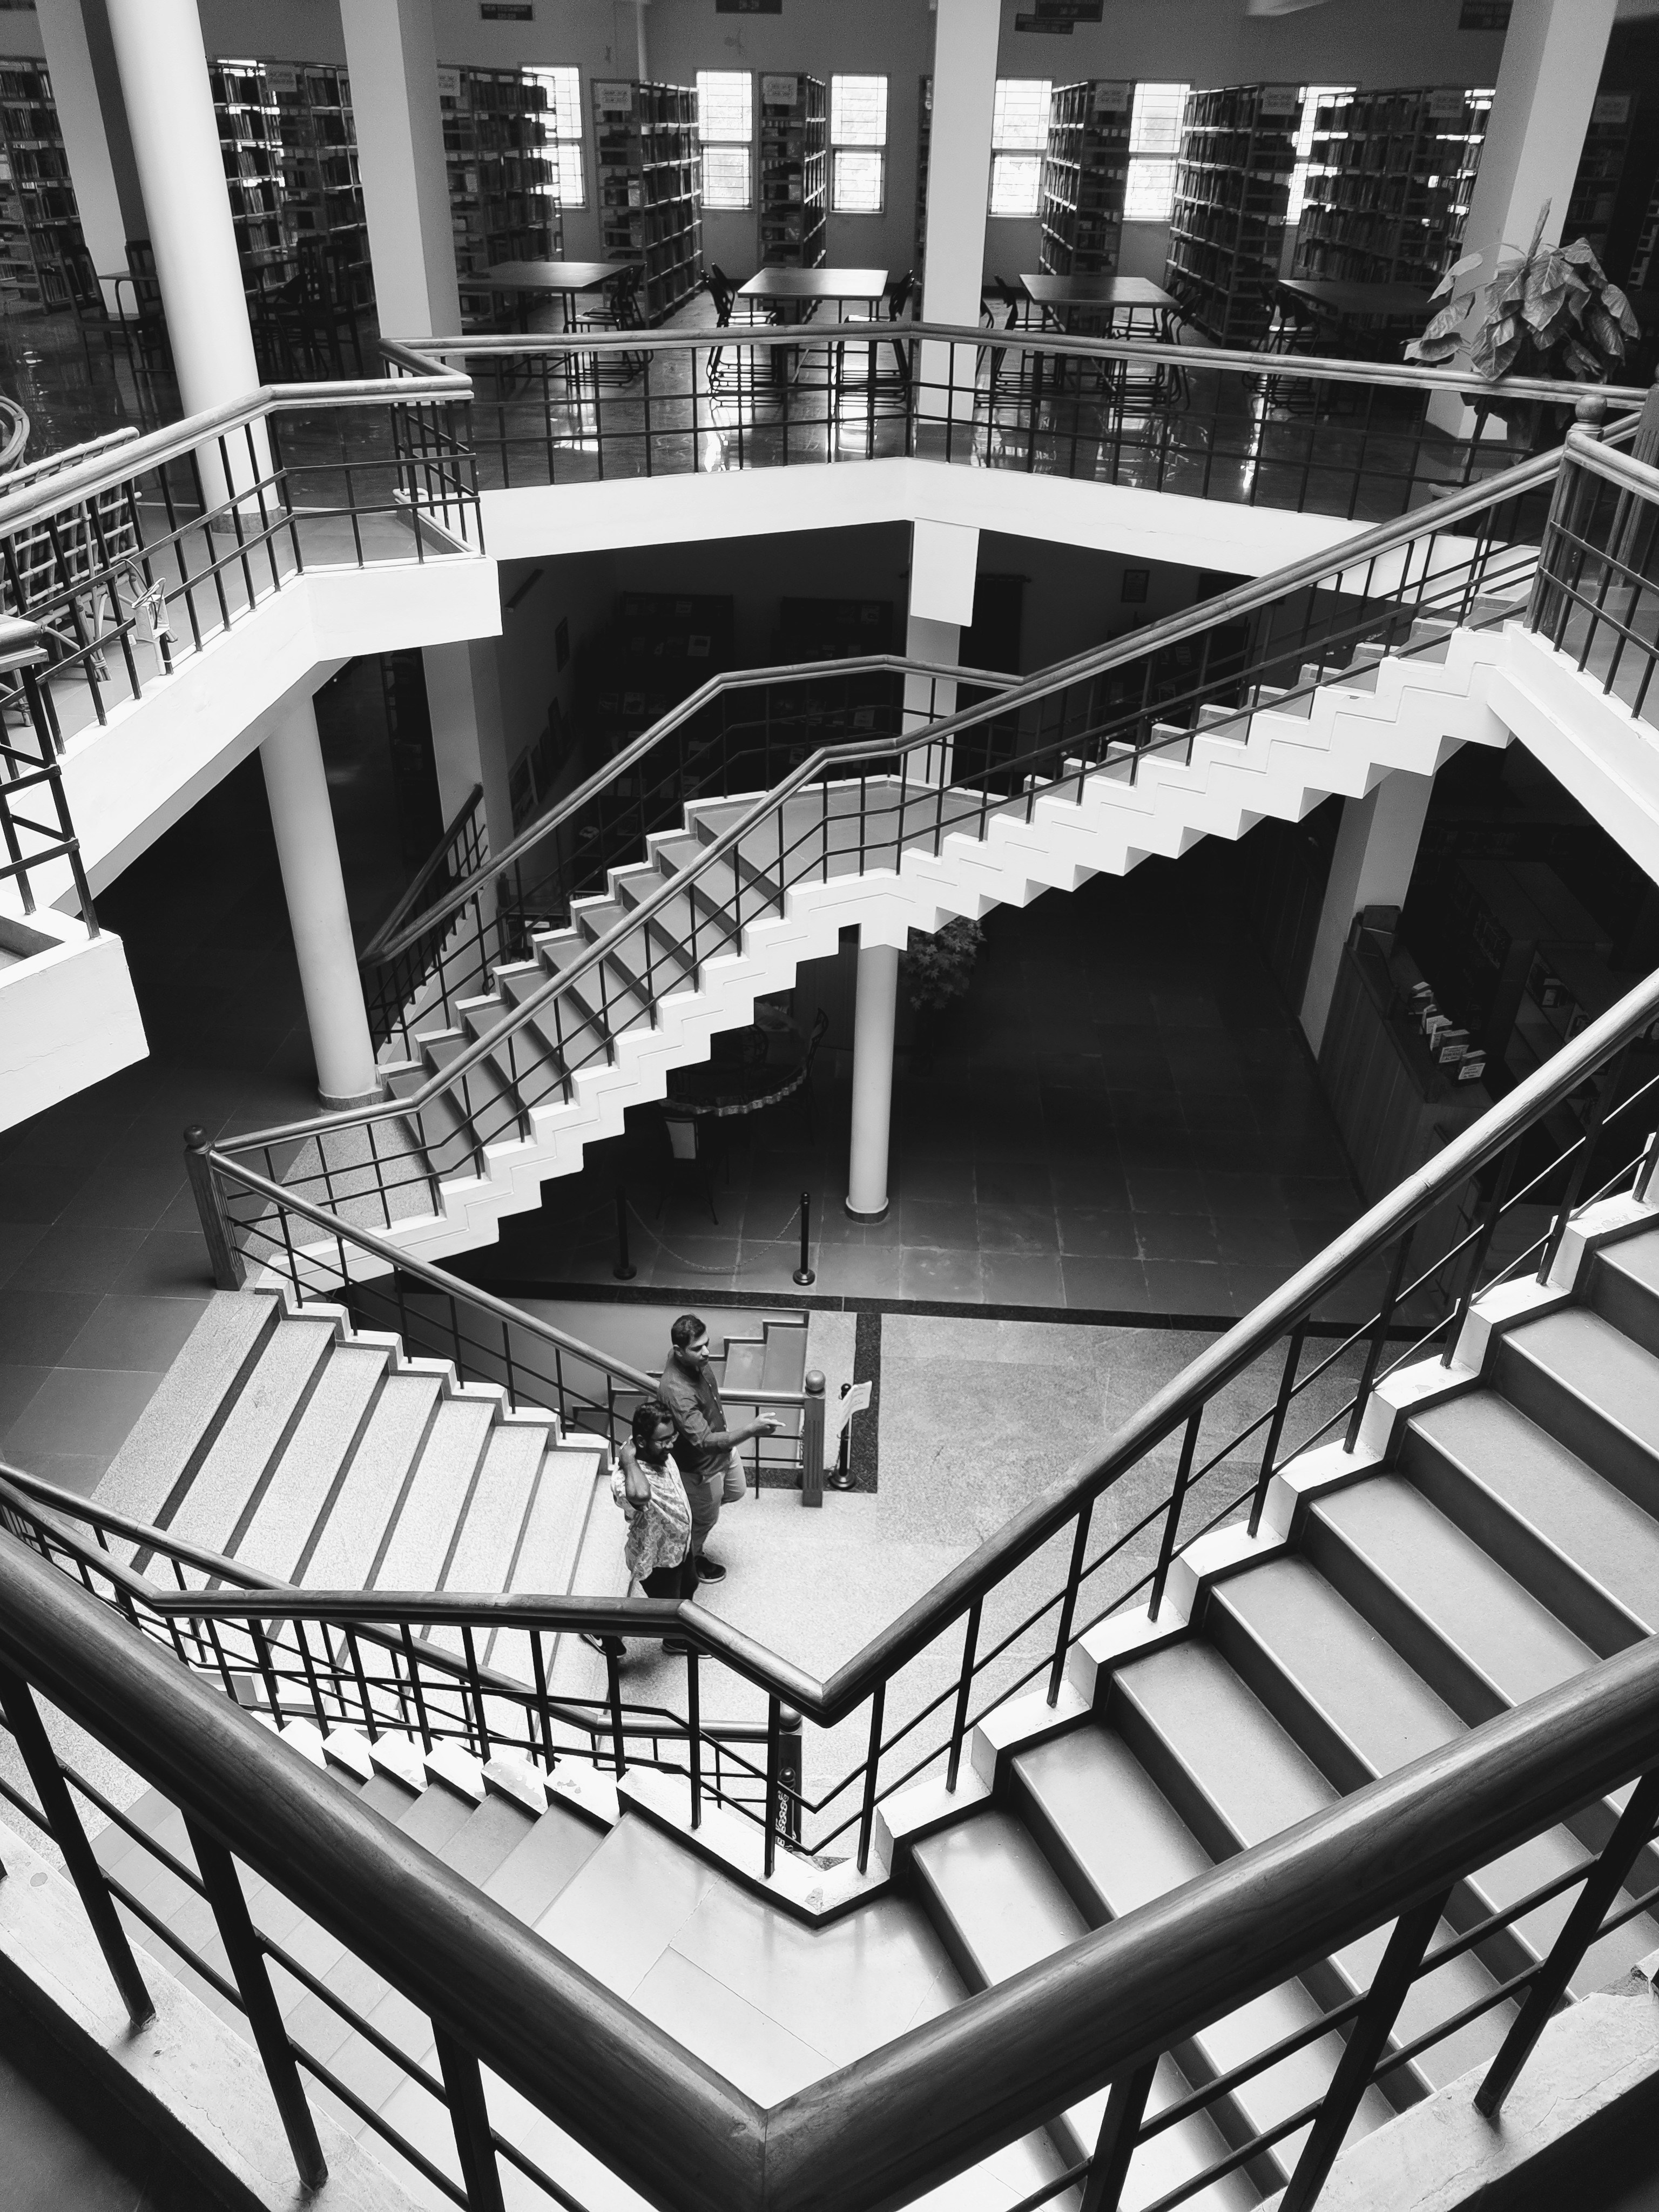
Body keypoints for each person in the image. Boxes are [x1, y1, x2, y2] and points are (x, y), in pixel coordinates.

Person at [656, 1314, 779, 1583]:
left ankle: (694, 1510)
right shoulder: (676, 1392)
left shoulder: (688, 1359)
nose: (706, 1352)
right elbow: (704, 1441)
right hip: (702, 1469)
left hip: (723, 1452)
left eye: (706, 1344)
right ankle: (691, 1561)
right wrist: (751, 1429)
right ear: (679, 1351)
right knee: (704, 1522)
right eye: (697, 1348)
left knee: (737, 1490)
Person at [612, 1398, 697, 1655]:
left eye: (673, 1437)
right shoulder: (626, 1479)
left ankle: (676, 1637)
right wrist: (629, 1461)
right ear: (641, 1442)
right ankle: (604, 1631)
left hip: (680, 1546)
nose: (671, 1445)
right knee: (664, 1611)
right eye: (664, 1440)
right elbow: (640, 1496)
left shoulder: (659, 1451)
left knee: (689, 1587)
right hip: (657, 1557)